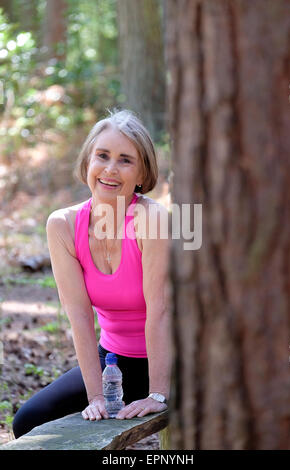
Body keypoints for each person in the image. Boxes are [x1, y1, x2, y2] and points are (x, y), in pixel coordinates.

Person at [12, 108, 172, 438]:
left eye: (125, 160)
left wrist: (158, 392)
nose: (110, 169)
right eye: (103, 156)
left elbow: (161, 312)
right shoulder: (63, 225)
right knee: (29, 421)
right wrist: (96, 396)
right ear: (88, 162)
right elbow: (80, 317)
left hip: (176, 359)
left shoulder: (152, 220)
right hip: (115, 361)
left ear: (142, 173)